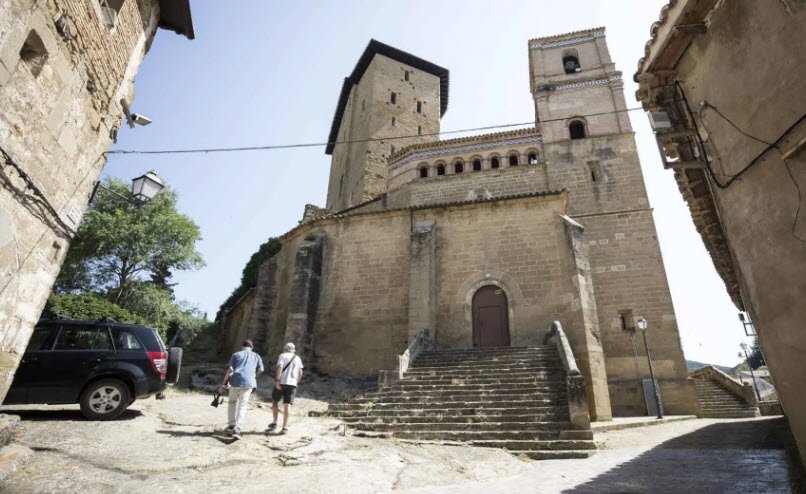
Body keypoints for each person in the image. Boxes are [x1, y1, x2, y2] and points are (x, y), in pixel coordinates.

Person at [220, 339, 264, 440]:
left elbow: (230, 370)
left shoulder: (236, 354)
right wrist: (253, 375)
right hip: (248, 383)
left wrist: (223, 384)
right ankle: (237, 429)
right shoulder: (256, 356)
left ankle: (231, 425)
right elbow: (261, 369)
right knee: (242, 405)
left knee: (232, 402)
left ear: (242, 347)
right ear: (252, 347)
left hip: (235, 381)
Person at [267, 342, 304, 435]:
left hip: (282, 382)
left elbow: (280, 367)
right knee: (288, 405)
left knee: (275, 401)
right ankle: (285, 427)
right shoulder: (298, 358)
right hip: (292, 384)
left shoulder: (282, 356)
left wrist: (277, 380)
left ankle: (274, 422)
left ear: (285, 349)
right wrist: (296, 382)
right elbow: (300, 373)